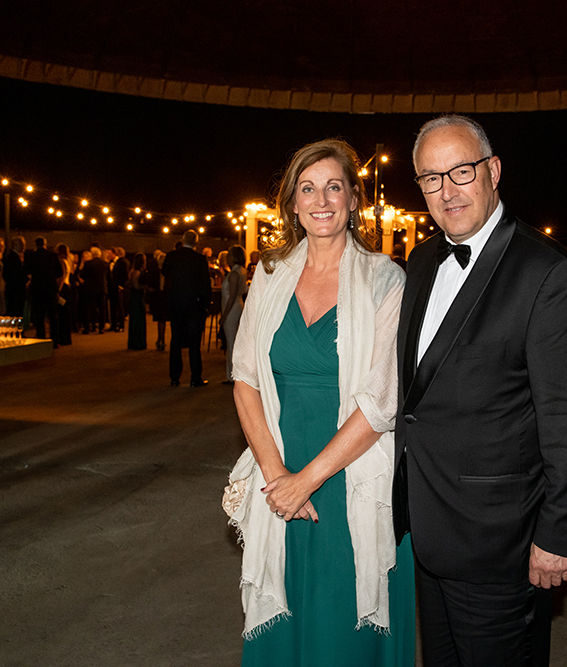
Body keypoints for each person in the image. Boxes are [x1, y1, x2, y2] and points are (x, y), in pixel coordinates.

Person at [394, 115, 567, 666]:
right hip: (429, 529)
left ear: (493, 171)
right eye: (431, 178)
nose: (447, 190)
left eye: (461, 171)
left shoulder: (549, 273)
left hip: (500, 542)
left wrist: (558, 535)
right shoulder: (420, 261)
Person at [227, 138, 414, 666]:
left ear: (354, 198)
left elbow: (381, 402)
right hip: (279, 469)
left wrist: (306, 480)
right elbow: (245, 379)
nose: (322, 200)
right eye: (307, 189)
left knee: (340, 631)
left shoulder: (385, 278)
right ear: (292, 203)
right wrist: (276, 476)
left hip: (350, 471)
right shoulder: (269, 275)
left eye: (334, 187)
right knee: (282, 621)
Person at [162, 230, 211, 386]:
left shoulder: (171, 256)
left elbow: (165, 273)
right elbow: (205, 284)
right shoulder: (200, 259)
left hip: (176, 303)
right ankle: (195, 377)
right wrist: (206, 304)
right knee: (194, 342)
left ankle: (174, 377)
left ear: (182, 240)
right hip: (194, 305)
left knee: (175, 340)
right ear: (196, 243)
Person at [27, 236, 63, 346]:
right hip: (50, 288)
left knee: (39, 315)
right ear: (45, 244)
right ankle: (55, 340)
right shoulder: (52, 256)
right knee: (53, 315)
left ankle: (41, 339)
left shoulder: (31, 256)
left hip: (37, 288)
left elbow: (26, 271)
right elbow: (59, 273)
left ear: (35, 244)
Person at [221, 244, 247, 384]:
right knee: (235, 340)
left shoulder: (234, 273)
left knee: (231, 341)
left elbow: (231, 297)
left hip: (232, 308)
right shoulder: (241, 271)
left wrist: (224, 315)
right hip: (238, 305)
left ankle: (232, 374)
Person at [80, 247, 109, 334]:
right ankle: (101, 328)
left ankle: (87, 328)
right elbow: (109, 277)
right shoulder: (105, 264)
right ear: (99, 254)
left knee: (88, 309)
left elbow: (82, 275)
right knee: (102, 309)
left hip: (90, 289)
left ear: (92, 254)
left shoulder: (88, 264)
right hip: (102, 289)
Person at [146, 250, 168, 350]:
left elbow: (149, 284)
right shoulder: (169, 273)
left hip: (158, 298)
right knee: (163, 320)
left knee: (160, 320)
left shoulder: (154, 271)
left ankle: (161, 340)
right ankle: (161, 340)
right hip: (165, 297)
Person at [126, 252, 148, 350]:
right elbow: (136, 286)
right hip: (137, 298)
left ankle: (134, 342)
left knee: (135, 320)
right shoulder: (137, 272)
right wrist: (145, 286)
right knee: (138, 320)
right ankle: (138, 342)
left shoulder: (133, 271)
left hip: (135, 297)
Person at [3, 236, 27, 317]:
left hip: (11, 288)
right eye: (22, 244)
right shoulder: (15, 258)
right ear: (16, 245)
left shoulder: (9, 257)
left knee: (11, 309)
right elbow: (18, 274)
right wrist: (26, 279)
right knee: (17, 311)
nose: (24, 247)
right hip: (17, 289)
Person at [55, 243, 73, 346]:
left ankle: (62, 337)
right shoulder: (68, 261)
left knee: (62, 314)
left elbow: (61, 276)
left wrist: (58, 290)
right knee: (66, 313)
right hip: (67, 287)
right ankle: (66, 337)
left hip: (63, 288)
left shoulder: (61, 261)